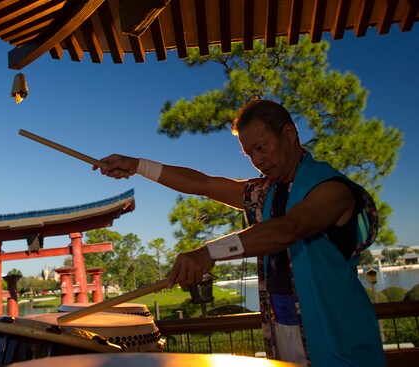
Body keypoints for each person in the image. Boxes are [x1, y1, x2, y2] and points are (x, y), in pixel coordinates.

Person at [95, 99, 386, 366]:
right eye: (249, 154)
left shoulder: (331, 189)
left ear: (289, 133)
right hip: (284, 333)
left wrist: (210, 253)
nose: (257, 161)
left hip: (341, 342)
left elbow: (289, 228)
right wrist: (137, 166)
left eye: (262, 147)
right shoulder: (265, 193)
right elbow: (203, 184)